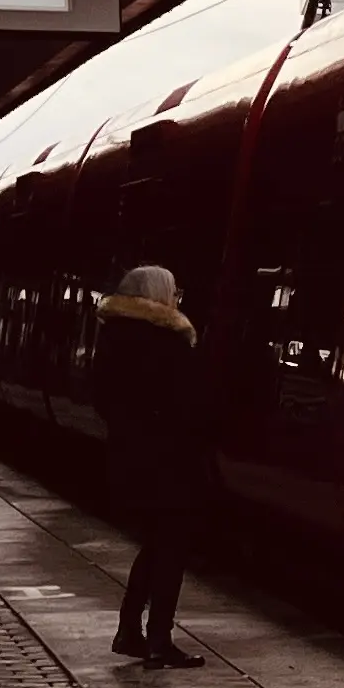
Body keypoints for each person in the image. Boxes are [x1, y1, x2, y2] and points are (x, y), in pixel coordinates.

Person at [91, 264, 212, 667]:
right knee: (171, 548)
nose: (177, 298)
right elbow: (189, 405)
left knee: (158, 543)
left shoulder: (115, 335)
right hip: (168, 462)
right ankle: (158, 637)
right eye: (174, 291)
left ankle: (131, 629)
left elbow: (105, 401)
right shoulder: (166, 340)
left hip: (131, 459)